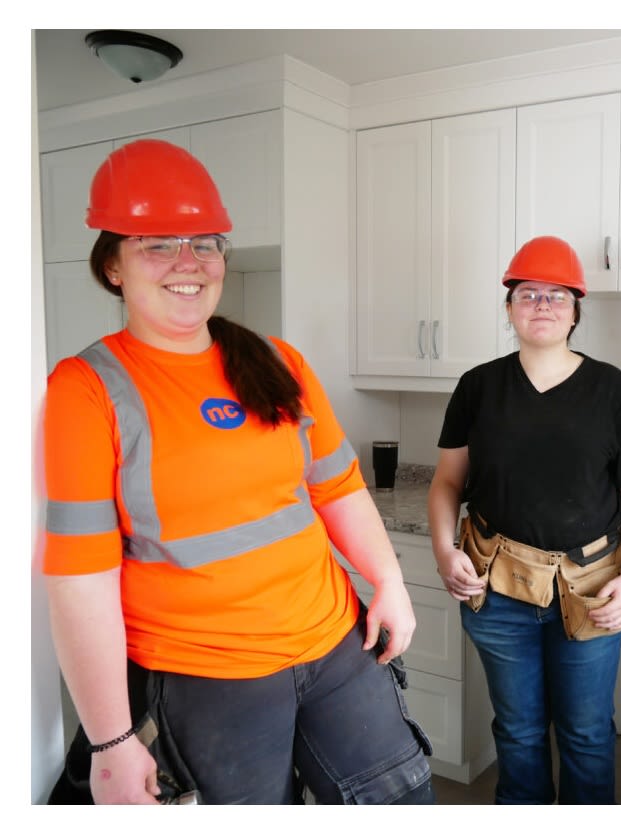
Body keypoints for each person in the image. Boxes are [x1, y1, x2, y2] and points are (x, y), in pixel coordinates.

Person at [43, 139, 434, 804]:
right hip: (209, 678)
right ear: (112, 266)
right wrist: (110, 741)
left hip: (335, 643)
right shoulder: (86, 389)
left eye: (205, 241)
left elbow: (337, 488)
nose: (188, 263)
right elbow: (81, 578)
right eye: (158, 244)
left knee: (402, 801)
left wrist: (389, 580)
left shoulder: (277, 361)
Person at [427, 235, 621, 803]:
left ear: (576, 310)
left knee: (585, 736)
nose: (542, 305)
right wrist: (443, 549)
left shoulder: (611, 389)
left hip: (593, 590)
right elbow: (446, 483)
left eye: (557, 296)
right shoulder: (478, 387)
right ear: (509, 307)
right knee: (518, 732)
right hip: (498, 589)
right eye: (528, 294)